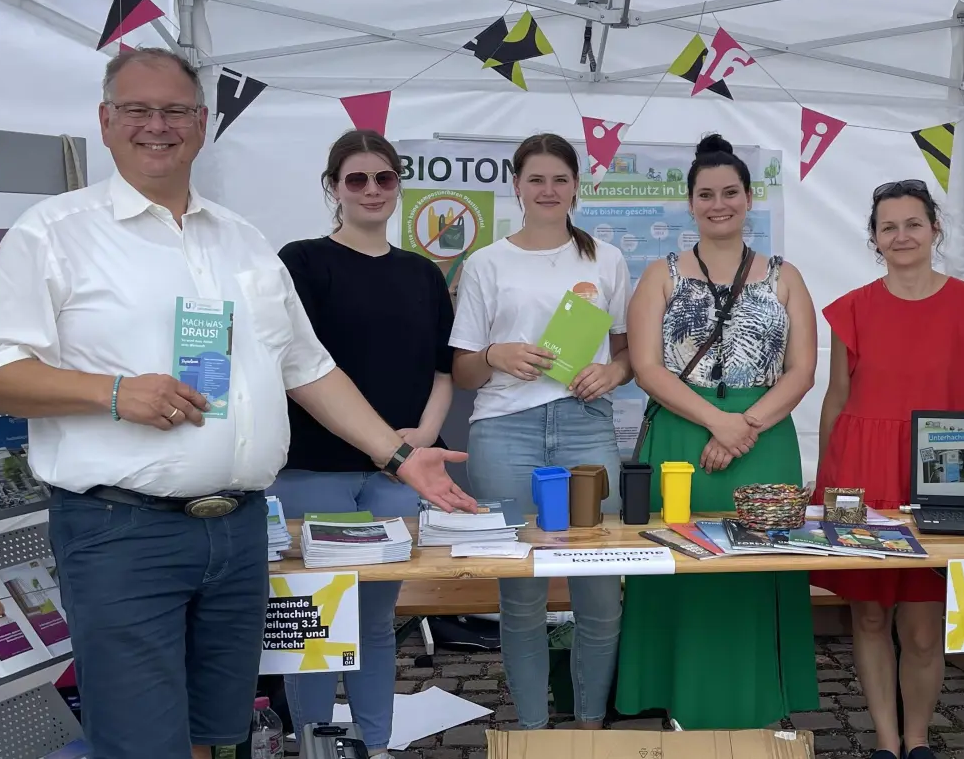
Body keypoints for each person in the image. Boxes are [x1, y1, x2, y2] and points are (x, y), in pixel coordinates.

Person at [0, 47, 476, 759]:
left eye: (174, 111)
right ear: (106, 122)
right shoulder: (54, 232)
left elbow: (308, 368)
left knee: (217, 738)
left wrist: (402, 456)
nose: (156, 125)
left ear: (201, 125)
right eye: (136, 109)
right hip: (122, 533)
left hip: (237, 534)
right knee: (142, 744)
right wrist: (110, 393)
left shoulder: (243, 240)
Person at [614, 134, 820, 730]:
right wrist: (719, 423)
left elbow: (802, 370)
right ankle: (680, 701)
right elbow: (648, 368)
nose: (718, 203)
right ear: (690, 203)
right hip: (683, 437)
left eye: (730, 191)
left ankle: (762, 704)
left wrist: (744, 427)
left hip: (765, 437)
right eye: (706, 194)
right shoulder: (659, 273)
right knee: (682, 564)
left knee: (758, 569)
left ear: (749, 198)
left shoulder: (786, 276)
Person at [269, 128, 455, 759]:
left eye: (385, 178)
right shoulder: (301, 262)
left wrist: (424, 437)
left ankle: (373, 746)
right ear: (334, 188)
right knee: (315, 626)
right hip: (314, 470)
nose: (372, 190)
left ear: (399, 185)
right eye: (357, 179)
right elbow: (295, 371)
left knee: (376, 623)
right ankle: (318, 749)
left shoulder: (422, 274)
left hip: (397, 477)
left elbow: (441, 371)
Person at [811, 179, 964, 759]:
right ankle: (887, 743)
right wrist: (825, 486)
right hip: (862, 472)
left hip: (939, 472)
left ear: (934, 230)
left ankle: (919, 741)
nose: (902, 236)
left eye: (913, 224)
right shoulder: (852, 309)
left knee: (923, 627)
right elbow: (836, 400)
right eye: (888, 226)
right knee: (869, 617)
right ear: (874, 238)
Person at [448, 133, 631, 731]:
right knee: (521, 593)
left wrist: (611, 371)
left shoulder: (605, 259)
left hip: (585, 428)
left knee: (600, 590)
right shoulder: (486, 262)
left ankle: (588, 729)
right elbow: (463, 369)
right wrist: (497, 354)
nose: (548, 190)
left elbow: (629, 355)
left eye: (559, 179)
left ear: (577, 186)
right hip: (505, 431)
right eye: (536, 180)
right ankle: (532, 730)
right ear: (516, 187)